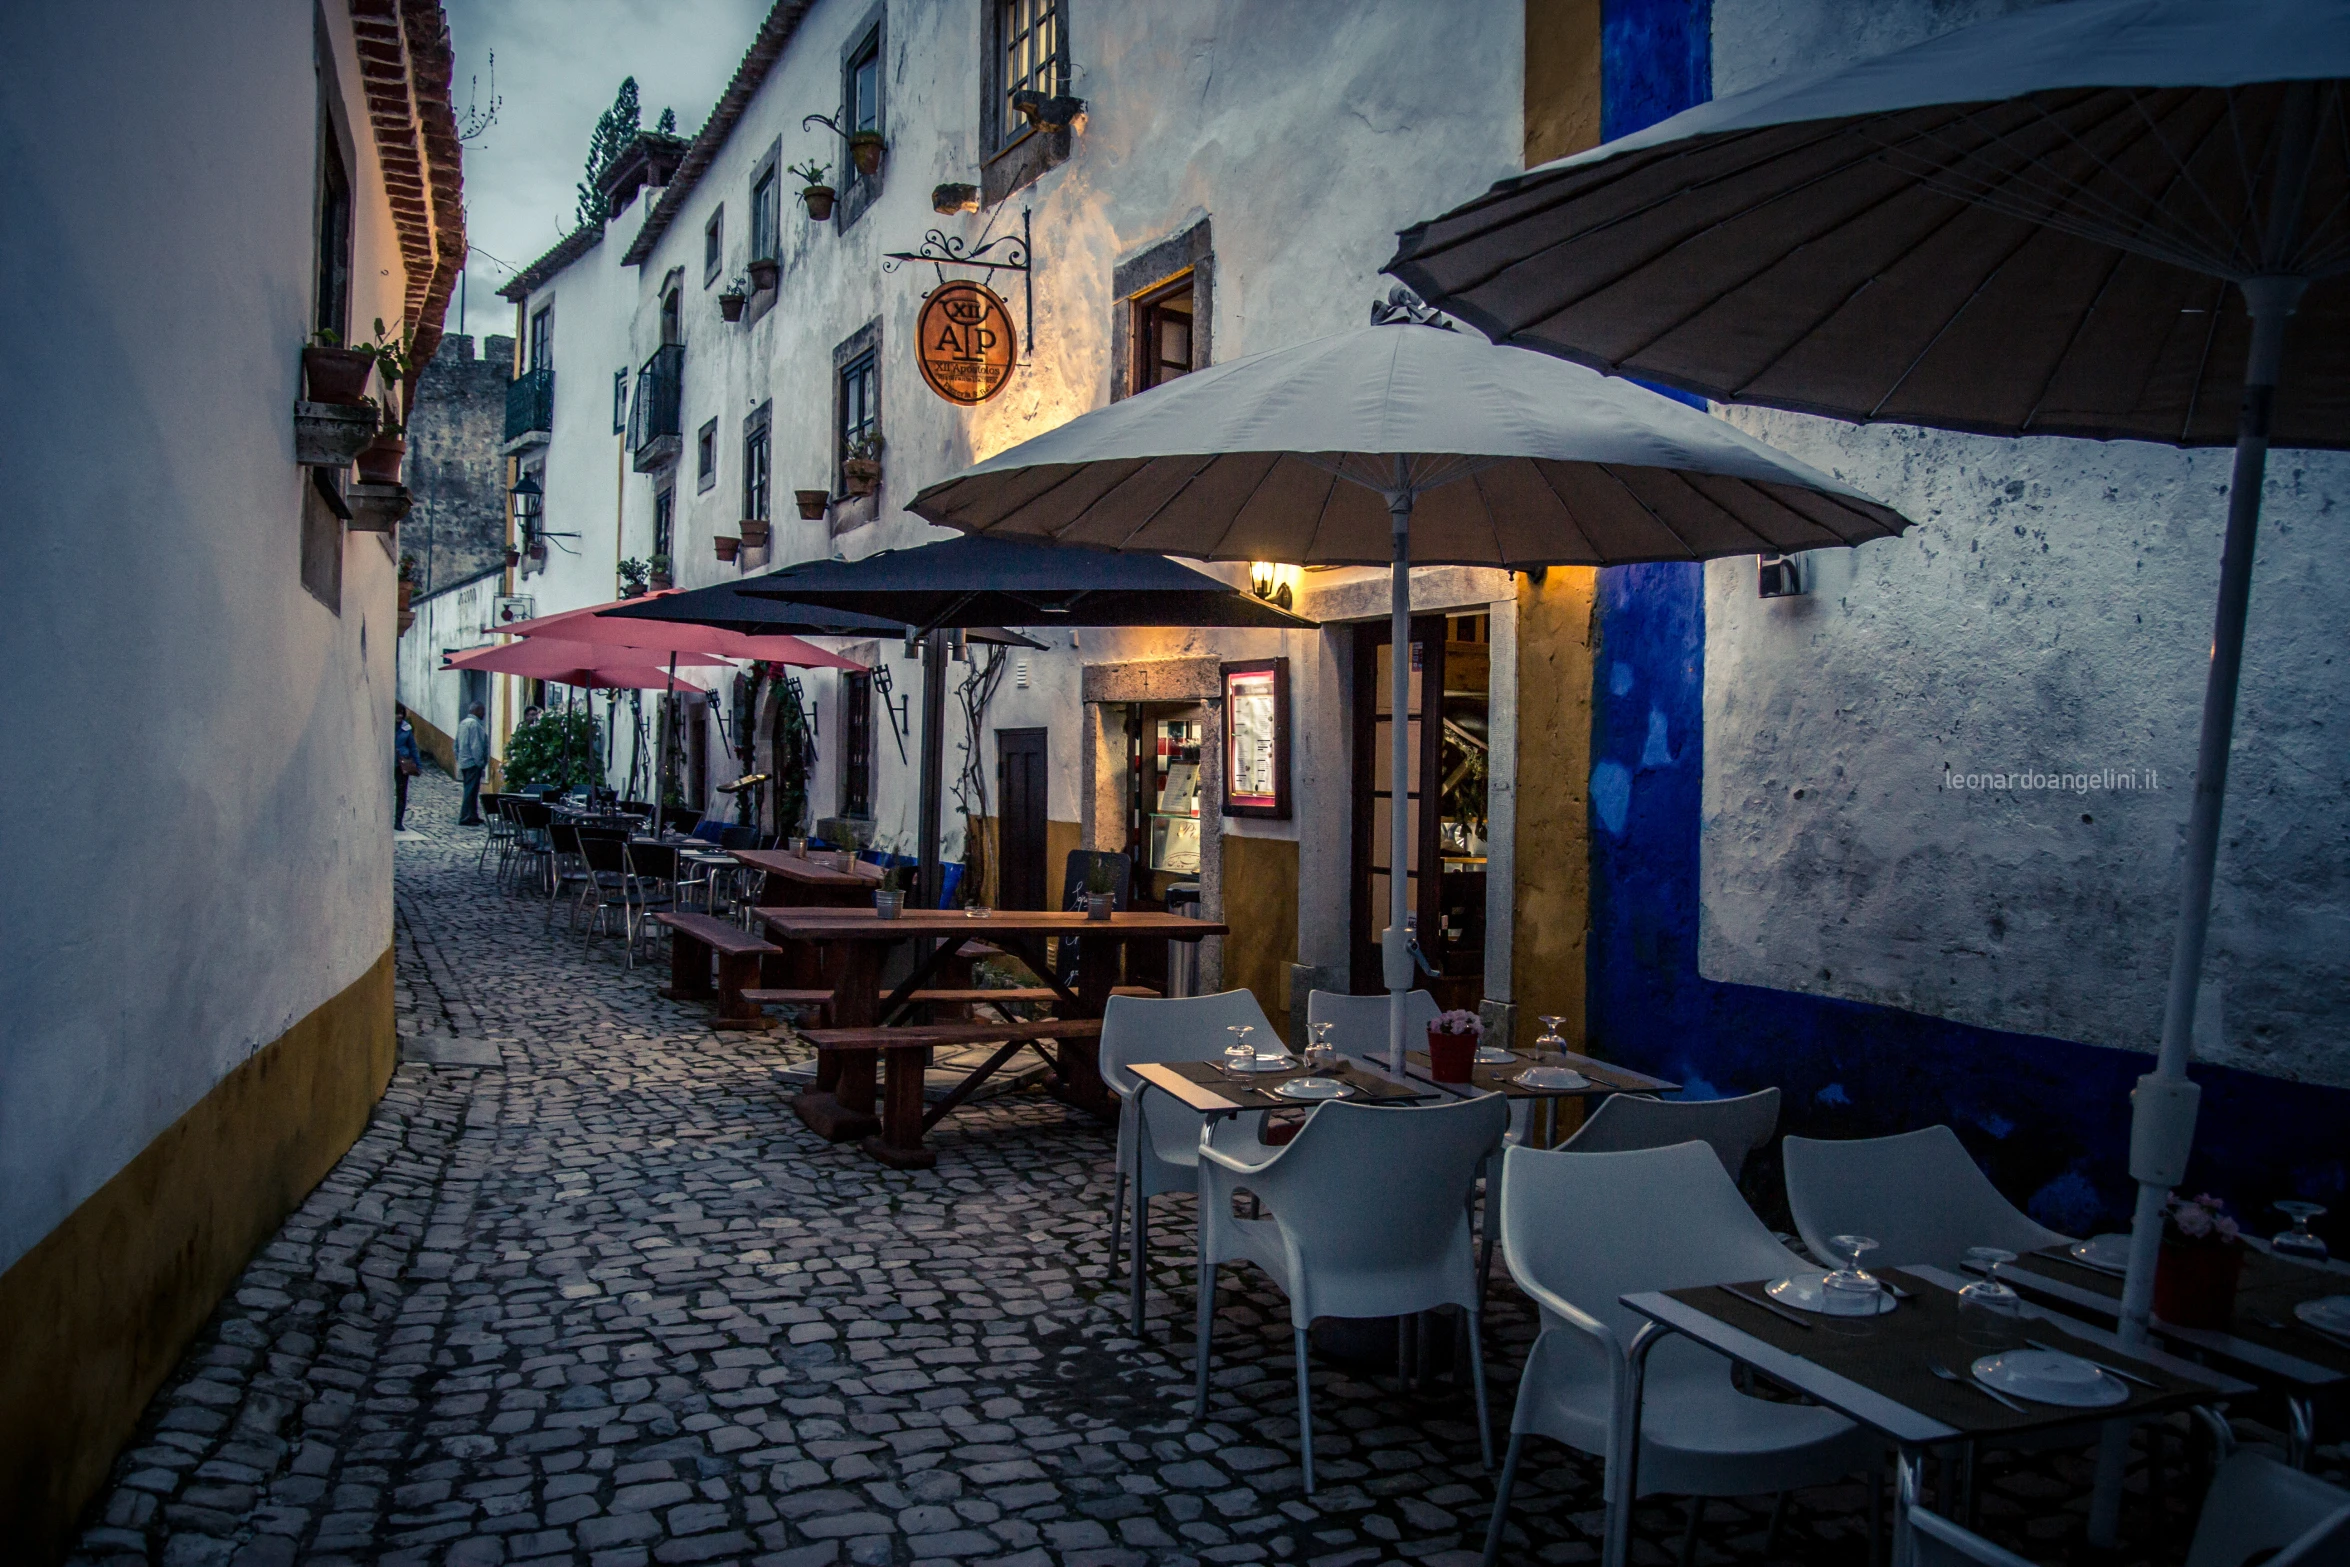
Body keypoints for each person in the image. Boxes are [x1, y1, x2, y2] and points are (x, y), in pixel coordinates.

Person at [455, 702, 490, 825]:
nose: (484, 714)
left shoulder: (463, 723)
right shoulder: (474, 725)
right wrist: (480, 762)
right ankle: (465, 817)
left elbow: (456, 745)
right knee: (470, 791)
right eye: (483, 711)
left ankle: (473, 815)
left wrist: (459, 759)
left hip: (464, 762)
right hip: (472, 763)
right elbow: (476, 746)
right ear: (477, 711)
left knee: (472, 790)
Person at [393, 709, 422, 831]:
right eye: (397, 713)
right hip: (389, 763)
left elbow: (413, 747)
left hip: (401, 764)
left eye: (401, 714)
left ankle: (398, 821)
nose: (399, 716)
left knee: (401, 793)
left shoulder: (406, 729)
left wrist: (418, 764)